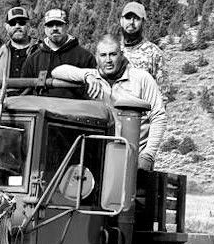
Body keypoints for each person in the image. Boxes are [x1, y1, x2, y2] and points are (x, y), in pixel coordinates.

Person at [52, 33, 166, 171]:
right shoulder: (92, 77)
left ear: (122, 54)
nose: (108, 60)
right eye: (103, 55)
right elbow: (57, 71)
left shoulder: (141, 79)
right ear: (96, 57)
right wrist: (86, 76)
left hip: (133, 157)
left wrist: (148, 155)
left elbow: (158, 116)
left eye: (113, 54)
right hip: (99, 157)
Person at [19, 7, 95, 98]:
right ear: (45, 28)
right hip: (41, 109)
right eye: (50, 25)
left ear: (67, 26)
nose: (54, 28)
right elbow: (24, 92)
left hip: (74, 110)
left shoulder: (85, 57)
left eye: (59, 24)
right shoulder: (33, 59)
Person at [119, 1, 170, 98]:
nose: (131, 22)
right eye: (128, 18)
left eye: (136, 19)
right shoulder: (113, 51)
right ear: (121, 21)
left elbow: (163, 93)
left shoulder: (154, 53)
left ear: (143, 22)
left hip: (143, 110)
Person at [0, 6, 38, 81]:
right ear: (6, 26)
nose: (17, 26)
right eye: (12, 23)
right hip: (3, 93)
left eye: (22, 23)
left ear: (28, 25)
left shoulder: (40, 49)